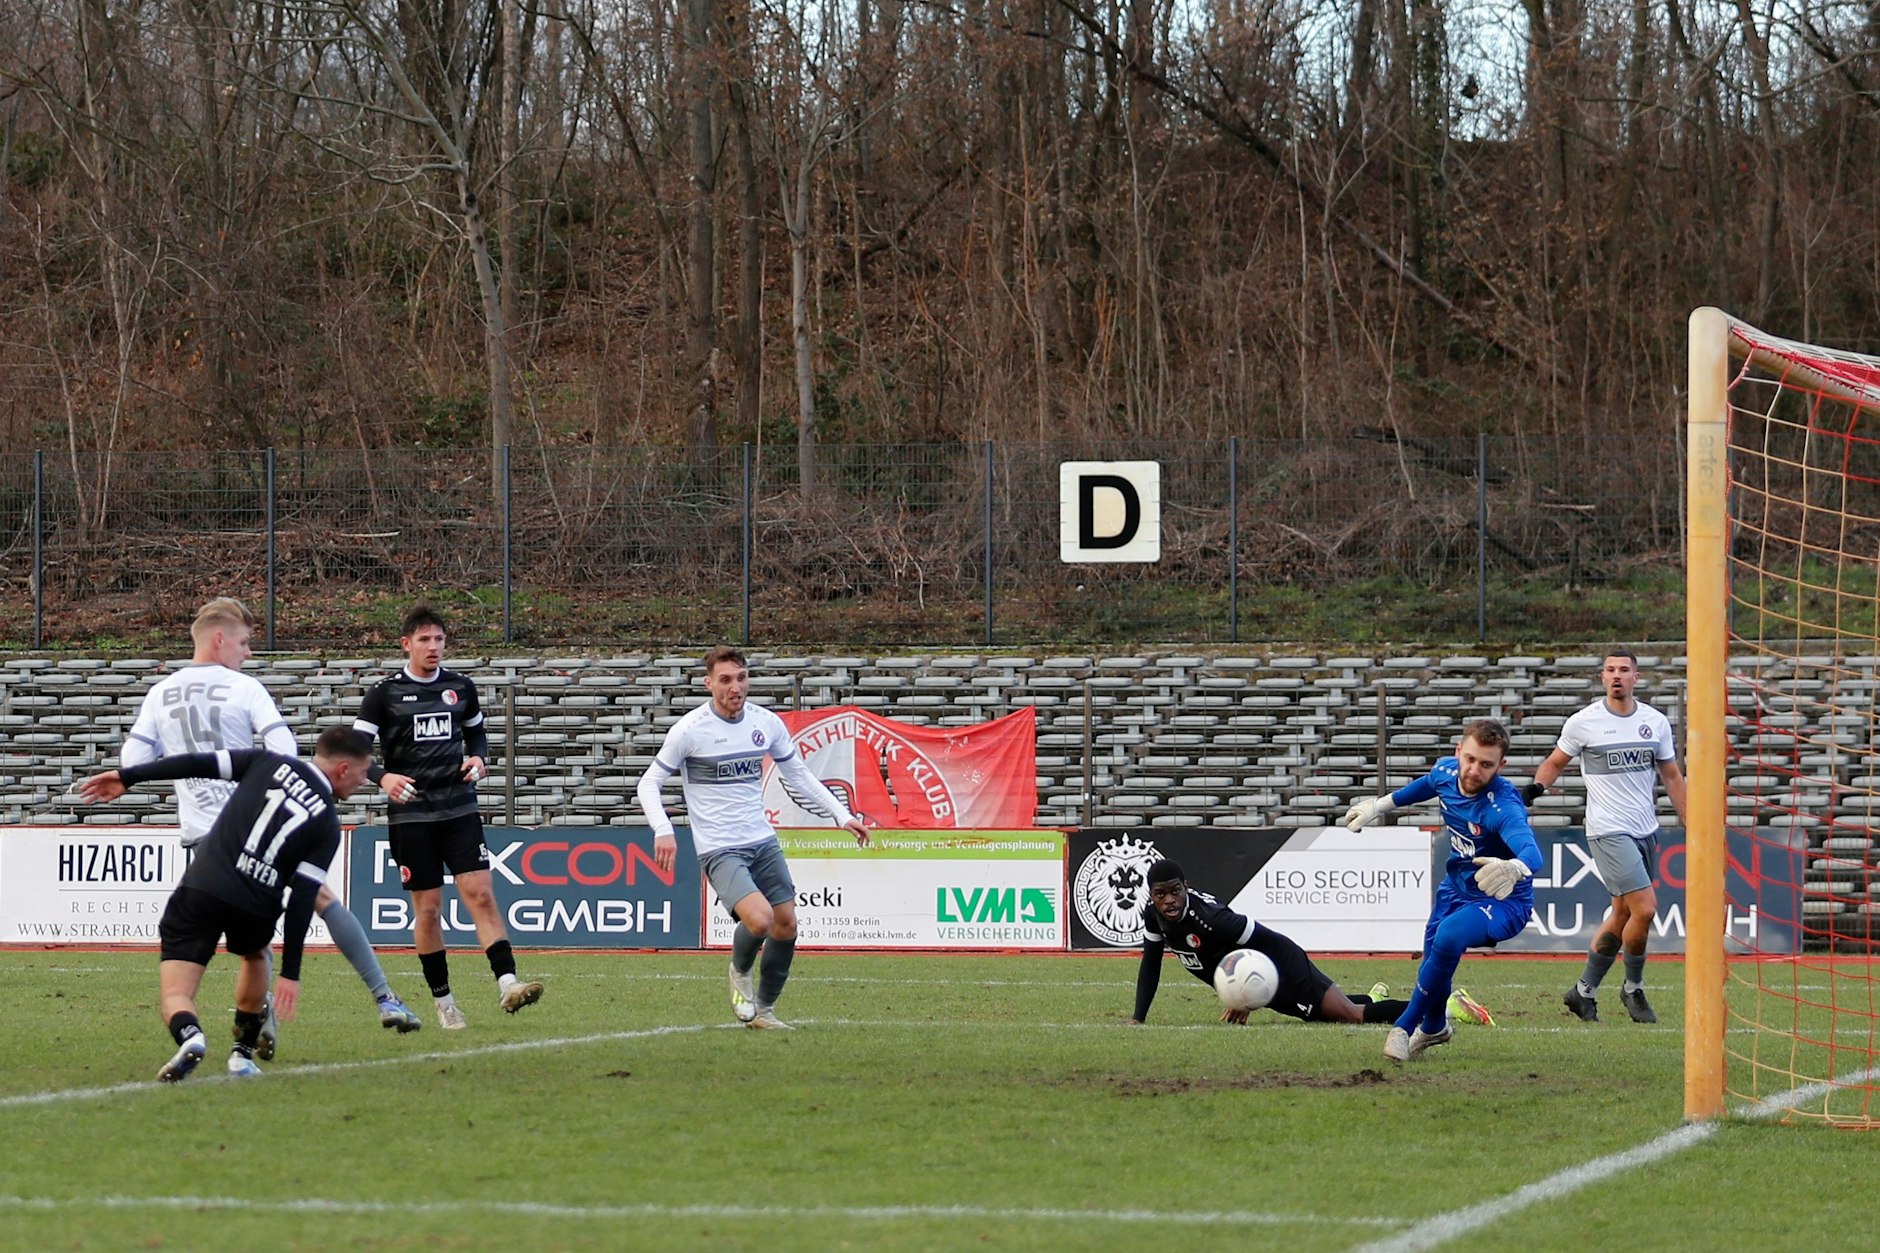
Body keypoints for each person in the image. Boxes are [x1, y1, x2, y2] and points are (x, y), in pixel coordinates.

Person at [122, 597, 422, 1053]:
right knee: (316, 899)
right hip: (258, 823)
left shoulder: (162, 691)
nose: (247, 653)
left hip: (205, 835)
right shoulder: (244, 687)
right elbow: (283, 750)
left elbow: (134, 758)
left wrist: (183, 773)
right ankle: (383, 997)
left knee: (251, 939)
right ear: (219, 640)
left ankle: (259, 1028)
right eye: (243, 643)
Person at [76, 727, 373, 1080]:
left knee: (176, 992)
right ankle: (241, 1054)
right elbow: (302, 899)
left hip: (205, 884)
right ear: (343, 769)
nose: (364, 780)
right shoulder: (327, 824)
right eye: (363, 772)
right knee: (254, 955)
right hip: (257, 901)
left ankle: (191, 1035)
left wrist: (129, 776)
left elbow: (194, 764)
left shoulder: (265, 761)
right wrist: (290, 973)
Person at [635, 645, 870, 1030]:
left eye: (741, 678)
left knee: (786, 924)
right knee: (759, 920)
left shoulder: (765, 723)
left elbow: (798, 775)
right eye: (726, 680)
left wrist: (841, 815)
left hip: (761, 839)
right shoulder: (690, 731)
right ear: (709, 684)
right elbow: (649, 783)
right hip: (719, 846)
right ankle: (739, 971)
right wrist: (663, 830)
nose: (735, 687)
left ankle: (764, 1011)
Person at [352, 604, 543, 1029]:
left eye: (439, 639)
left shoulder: (461, 686)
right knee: (429, 910)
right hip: (412, 815)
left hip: (459, 807)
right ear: (406, 644)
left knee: (481, 894)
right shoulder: (384, 694)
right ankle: (444, 1001)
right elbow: (355, 750)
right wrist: (383, 777)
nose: (433, 646)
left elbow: (476, 732)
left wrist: (479, 757)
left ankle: (508, 983)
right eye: (424, 639)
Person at [1343, 718, 1542, 1063]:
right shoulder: (1446, 772)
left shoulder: (1503, 806)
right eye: (1470, 759)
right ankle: (1434, 1026)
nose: (1474, 770)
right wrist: (1378, 806)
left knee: (1449, 936)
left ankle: (1403, 1028)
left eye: (1486, 764)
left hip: (1501, 899)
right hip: (1455, 888)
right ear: (1458, 751)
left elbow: (1532, 853)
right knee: (1432, 963)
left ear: (1501, 766)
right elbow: (1426, 785)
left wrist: (1514, 867)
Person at [1524, 648, 1687, 1025]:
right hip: (1607, 829)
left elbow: (1672, 777)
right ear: (1602, 677)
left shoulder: (1655, 722)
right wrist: (1535, 789)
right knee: (1645, 909)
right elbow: (1555, 761)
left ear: (1636, 677)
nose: (1617, 675)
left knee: (1622, 914)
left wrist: (1692, 824)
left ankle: (1583, 991)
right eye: (1610, 670)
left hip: (1645, 829)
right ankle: (1633, 988)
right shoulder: (1584, 722)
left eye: (1624, 669)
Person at [1125, 859, 1422, 1028]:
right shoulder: (1153, 916)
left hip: (1283, 965)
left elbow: (1270, 943)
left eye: (1175, 891)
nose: (1169, 900)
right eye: (1160, 894)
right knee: (1321, 1016)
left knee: (1351, 1016)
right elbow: (1150, 963)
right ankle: (1373, 998)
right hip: (1262, 983)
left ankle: (1433, 1008)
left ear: (1185, 887)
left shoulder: (1213, 919)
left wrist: (1246, 997)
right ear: (1151, 895)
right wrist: (1138, 1019)